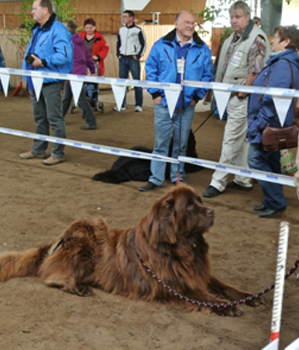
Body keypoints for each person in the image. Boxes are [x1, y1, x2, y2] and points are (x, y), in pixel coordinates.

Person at [138, 10, 212, 192]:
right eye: (187, 22)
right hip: (163, 103)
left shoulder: (202, 49)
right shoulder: (160, 45)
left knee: (182, 143)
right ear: (176, 24)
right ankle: (156, 178)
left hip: (187, 106)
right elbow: (151, 69)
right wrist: (155, 94)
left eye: (193, 23)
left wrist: (196, 97)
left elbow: (207, 75)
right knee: (161, 142)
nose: (191, 26)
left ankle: (177, 177)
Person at [203, 1, 270, 197]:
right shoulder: (234, 37)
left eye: (238, 17)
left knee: (230, 140)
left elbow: (255, 69)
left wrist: (244, 91)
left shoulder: (256, 38)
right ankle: (243, 179)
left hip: (243, 98)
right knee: (241, 140)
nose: (233, 20)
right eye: (231, 17)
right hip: (230, 94)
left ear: (247, 18)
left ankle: (218, 182)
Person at [247, 25, 299, 218]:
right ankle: (272, 200)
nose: (272, 41)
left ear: (286, 42)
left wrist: (258, 125)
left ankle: (276, 201)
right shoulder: (282, 62)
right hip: (273, 121)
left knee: (255, 159)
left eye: (276, 38)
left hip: (270, 123)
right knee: (271, 159)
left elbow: (271, 100)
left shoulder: (283, 65)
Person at [19, 0, 73, 165]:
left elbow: (65, 56)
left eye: (35, 9)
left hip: (51, 82)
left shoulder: (59, 31)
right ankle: (38, 149)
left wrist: (42, 61)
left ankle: (58, 153)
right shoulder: (38, 31)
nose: (32, 12)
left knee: (55, 118)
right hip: (35, 81)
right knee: (40, 117)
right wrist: (26, 75)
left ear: (45, 10)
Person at [62, 20, 97, 130]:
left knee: (81, 98)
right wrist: (92, 70)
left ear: (67, 30)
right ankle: (58, 118)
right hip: (79, 71)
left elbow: (65, 58)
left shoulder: (69, 43)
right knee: (67, 97)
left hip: (74, 72)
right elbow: (88, 57)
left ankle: (91, 121)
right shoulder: (80, 42)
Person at [114, 10, 146, 113]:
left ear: (131, 18)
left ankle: (138, 105)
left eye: (126, 17)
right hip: (122, 58)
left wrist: (138, 55)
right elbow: (118, 42)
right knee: (122, 82)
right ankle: (121, 104)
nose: (124, 19)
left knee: (137, 81)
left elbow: (143, 44)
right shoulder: (121, 30)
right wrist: (118, 53)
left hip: (133, 58)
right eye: (123, 17)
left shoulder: (138, 30)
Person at [79, 18, 109, 110]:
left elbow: (105, 49)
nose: (88, 30)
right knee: (82, 82)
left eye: (90, 28)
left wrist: (98, 56)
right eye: (87, 28)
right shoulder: (80, 36)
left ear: (94, 27)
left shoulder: (99, 38)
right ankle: (82, 100)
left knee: (94, 82)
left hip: (94, 63)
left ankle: (94, 100)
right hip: (82, 63)